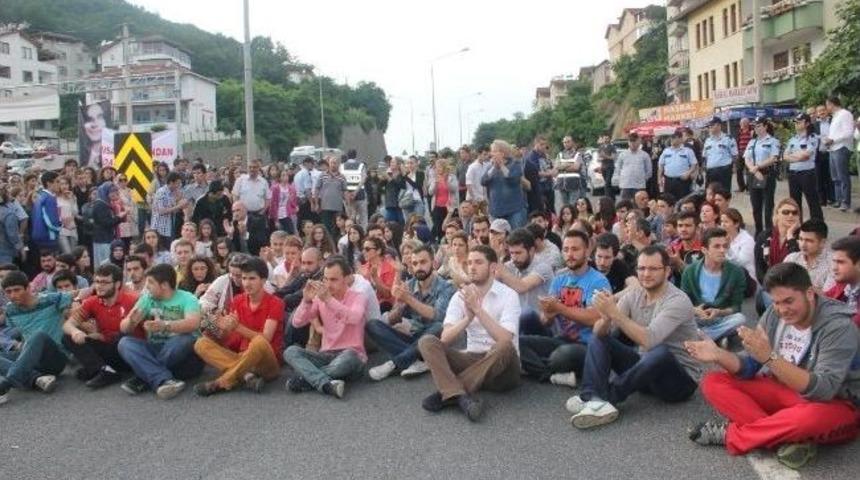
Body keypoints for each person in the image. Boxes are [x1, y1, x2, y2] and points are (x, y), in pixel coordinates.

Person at [686, 263, 859, 469]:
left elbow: (822, 390)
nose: (782, 310)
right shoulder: (774, 313)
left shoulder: (839, 327)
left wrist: (770, 358)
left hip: (832, 404)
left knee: (808, 420)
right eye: (776, 302)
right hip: (783, 391)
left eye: (789, 301)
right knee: (714, 381)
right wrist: (718, 355)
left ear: (810, 293)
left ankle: (733, 435)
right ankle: (784, 436)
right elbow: (749, 365)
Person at [567, 246, 700, 429]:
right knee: (599, 338)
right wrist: (606, 318)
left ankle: (606, 399)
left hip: (678, 382)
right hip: (645, 372)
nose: (646, 274)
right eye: (641, 268)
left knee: (660, 351)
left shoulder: (677, 300)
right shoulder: (634, 294)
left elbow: (649, 339)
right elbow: (600, 333)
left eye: (653, 269)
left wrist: (615, 313)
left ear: (667, 271)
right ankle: (592, 397)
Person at [417, 245, 521, 421]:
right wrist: (467, 319)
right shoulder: (460, 296)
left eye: (479, 262)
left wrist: (477, 310)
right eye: (470, 263)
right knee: (426, 342)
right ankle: (460, 396)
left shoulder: (509, 295)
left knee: (504, 346)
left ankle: (449, 392)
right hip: (472, 358)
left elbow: (505, 338)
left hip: (503, 367)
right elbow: (445, 338)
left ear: (493, 267)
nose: (472, 267)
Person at [521, 229, 610, 388]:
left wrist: (560, 308)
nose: (570, 254)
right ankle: (551, 375)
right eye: (566, 249)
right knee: (517, 343)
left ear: (587, 250)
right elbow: (546, 322)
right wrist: (548, 314)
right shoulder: (559, 279)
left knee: (560, 357)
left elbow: (594, 317)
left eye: (575, 249)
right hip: (561, 339)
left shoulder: (599, 281)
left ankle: (534, 366)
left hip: (588, 345)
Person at [193, 258, 284, 396]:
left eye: (252, 278)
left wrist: (238, 327)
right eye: (244, 278)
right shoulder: (237, 300)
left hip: (267, 362)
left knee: (258, 341)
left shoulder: (276, 303)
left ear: (263, 280)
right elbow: (230, 338)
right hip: (241, 356)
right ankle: (247, 376)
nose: (247, 283)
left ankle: (221, 382)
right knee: (201, 343)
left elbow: (266, 338)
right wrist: (221, 326)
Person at [283, 256, 368, 399]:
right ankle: (326, 384)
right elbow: (297, 322)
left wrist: (329, 300)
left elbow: (354, 318)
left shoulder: (358, 297)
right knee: (290, 351)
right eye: (326, 279)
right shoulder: (319, 299)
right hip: (326, 354)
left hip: (351, 355)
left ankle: (308, 379)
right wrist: (306, 301)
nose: (328, 285)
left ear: (347, 279)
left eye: (333, 280)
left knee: (348, 358)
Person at [366, 245, 455, 381]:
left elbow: (438, 315)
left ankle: (394, 363)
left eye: (423, 262)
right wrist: (400, 305)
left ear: (433, 263)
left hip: (433, 338)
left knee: (439, 326)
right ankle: (416, 359)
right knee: (372, 324)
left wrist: (409, 299)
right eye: (415, 263)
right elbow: (393, 319)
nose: (419, 267)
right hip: (413, 336)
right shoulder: (409, 284)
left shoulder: (446, 286)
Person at [117, 264, 204, 399]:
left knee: (186, 338)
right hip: (157, 347)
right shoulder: (147, 298)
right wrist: (131, 322)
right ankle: (164, 379)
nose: (147, 287)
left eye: (151, 283)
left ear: (164, 285)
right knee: (124, 343)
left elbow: (193, 323)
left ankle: (144, 377)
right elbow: (123, 328)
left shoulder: (187, 298)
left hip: (185, 357)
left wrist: (164, 326)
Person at [0, 271, 72, 405]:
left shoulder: (50, 298)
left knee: (38, 335)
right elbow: (20, 332)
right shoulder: (10, 310)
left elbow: (77, 294)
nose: (13, 295)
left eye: (17, 290)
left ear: (28, 288)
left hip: (55, 357)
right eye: (8, 292)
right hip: (30, 360)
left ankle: (8, 380)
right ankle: (37, 379)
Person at [62, 264, 139, 389]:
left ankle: (96, 370)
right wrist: (75, 332)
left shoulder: (133, 300)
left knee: (122, 336)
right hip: (108, 350)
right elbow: (68, 325)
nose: (99, 285)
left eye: (104, 282)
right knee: (67, 337)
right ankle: (103, 370)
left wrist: (102, 337)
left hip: (129, 352)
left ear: (117, 284)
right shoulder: (92, 301)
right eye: (97, 281)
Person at [680, 228, 747, 341]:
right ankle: (718, 337)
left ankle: (701, 336)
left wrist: (719, 312)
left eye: (725, 246)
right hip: (696, 317)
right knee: (675, 317)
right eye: (717, 246)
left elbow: (736, 307)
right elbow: (683, 302)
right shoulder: (690, 271)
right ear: (704, 250)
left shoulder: (736, 272)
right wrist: (695, 310)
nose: (722, 250)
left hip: (721, 317)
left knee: (740, 319)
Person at [494, 229, 554, 334]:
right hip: (517, 324)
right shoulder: (510, 266)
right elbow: (492, 287)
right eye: (511, 253)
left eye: (518, 253)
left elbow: (522, 287)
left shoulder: (544, 266)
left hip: (541, 325)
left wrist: (497, 262)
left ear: (531, 251)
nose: (514, 258)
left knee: (526, 313)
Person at [744, 118, 780, 234]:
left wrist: (758, 167)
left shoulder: (773, 141)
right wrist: (754, 170)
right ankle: (759, 232)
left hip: (767, 173)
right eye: (755, 126)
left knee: (768, 205)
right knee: (756, 205)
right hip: (753, 174)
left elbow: (773, 158)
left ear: (765, 126)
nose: (756, 128)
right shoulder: (752, 142)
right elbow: (746, 158)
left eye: (759, 126)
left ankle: (769, 232)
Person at [784, 113, 823, 220]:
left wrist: (794, 156)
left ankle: (817, 226)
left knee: (812, 201)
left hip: (807, 173)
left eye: (799, 122)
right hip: (793, 173)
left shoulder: (812, 137)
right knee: (795, 203)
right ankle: (797, 227)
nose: (796, 124)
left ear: (807, 123)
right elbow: (785, 156)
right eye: (795, 122)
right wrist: (798, 157)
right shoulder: (792, 139)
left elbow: (806, 155)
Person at [481, 139, 526, 229]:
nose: (491, 154)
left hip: (514, 210)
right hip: (495, 210)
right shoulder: (490, 166)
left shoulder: (515, 164)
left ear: (503, 152)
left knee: (515, 238)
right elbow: (483, 181)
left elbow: (513, 179)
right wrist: (494, 167)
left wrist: (501, 166)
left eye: (494, 151)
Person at [754, 198, 801, 282]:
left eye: (794, 213)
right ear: (777, 215)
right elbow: (759, 267)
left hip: (790, 285)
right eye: (786, 212)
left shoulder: (801, 237)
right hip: (767, 284)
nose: (790, 215)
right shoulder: (764, 236)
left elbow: (796, 262)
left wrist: (790, 235)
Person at [784, 219, 834, 293]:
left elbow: (828, 295)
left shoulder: (833, 263)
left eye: (809, 241)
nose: (803, 245)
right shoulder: (791, 258)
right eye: (801, 239)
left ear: (822, 242)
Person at [823, 96, 855, 212]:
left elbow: (848, 133)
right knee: (835, 177)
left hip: (841, 147)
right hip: (833, 148)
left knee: (842, 176)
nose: (827, 108)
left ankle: (846, 202)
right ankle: (839, 200)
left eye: (827, 105)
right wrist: (829, 140)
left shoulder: (845, 114)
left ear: (832, 104)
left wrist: (833, 140)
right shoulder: (835, 117)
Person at [825, 235, 860, 326]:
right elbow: (821, 300)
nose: (834, 268)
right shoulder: (843, 286)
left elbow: (851, 327)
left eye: (840, 262)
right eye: (834, 261)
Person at [151, 172, 187, 250]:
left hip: (169, 226)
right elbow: (162, 211)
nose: (179, 186)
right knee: (162, 250)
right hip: (160, 228)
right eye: (177, 183)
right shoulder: (162, 192)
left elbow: (173, 209)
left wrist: (180, 203)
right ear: (171, 182)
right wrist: (179, 206)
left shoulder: (172, 192)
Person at [658, 131, 698, 202]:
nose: (672, 140)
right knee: (668, 201)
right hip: (669, 181)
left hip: (682, 181)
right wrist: (659, 178)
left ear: (680, 139)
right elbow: (661, 165)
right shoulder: (666, 151)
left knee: (683, 201)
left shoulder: (687, 151)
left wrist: (688, 173)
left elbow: (694, 164)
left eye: (674, 138)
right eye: (671, 138)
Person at [427, 158, 460, 242]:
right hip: (437, 206)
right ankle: (439, 243)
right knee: (438, 227)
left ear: (444, 167)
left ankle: (448, 242)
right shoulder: (435, 178)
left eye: (439, 167)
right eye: (436, 167)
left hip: (449, 207)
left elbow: (454, 189)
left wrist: (446, 181)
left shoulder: (452, 177)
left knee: (448, 226)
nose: (438, 169)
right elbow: (430, 192)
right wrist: (435, 184)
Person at [702, 117, 739, 192]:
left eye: (712, 125)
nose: (710, 127)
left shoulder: (728, 139)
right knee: (710, 193)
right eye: (709, 126)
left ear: (719, 126)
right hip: (710, 171)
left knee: (723, 194)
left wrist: (733, 167)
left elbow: (735, 155)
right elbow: (705, 156)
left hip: (724, 171)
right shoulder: (708, 140)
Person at [30, 170, 62, 254]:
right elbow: (51, 221)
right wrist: (60, 227)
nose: (60, 184)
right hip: (48, 237)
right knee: (52, 263)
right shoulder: (49, 198)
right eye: (57, 181)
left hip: (39, 235)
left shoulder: (41, 196)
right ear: (48, 183)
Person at [721, 208, 756, 283]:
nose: (722, 225)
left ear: (736, 224)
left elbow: (740, 263)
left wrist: (728, 249)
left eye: (726, 222)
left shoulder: (747, 240)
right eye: (722, 222)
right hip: (727, 279)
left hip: (746, 280)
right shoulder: (721, 237)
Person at [315, 157, 347, 237]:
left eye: (335, 163)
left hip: (338, 208)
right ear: (329, 164)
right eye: (332, 163)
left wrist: (348, 204)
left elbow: (345, 191)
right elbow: (317, 189)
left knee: (337, 228)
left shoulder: (342, 177)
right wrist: (316, 204)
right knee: (326, 228)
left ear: (338, 165)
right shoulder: (322, 175)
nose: (333, 165)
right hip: (325, 207)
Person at [616, 133, 652, 200]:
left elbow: (649, 171)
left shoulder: (644, 155)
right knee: (625, 206)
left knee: (639, 207)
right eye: (631, 141)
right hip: (626, 186)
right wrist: (622, 178)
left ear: (639, 142)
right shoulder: (622, 155)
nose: (632, 143)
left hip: (639, 186)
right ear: (628, 142)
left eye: (634, 141)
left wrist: (643, 179)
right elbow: (618, 168)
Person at [555, 136, 583, 208]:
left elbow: (576, 167)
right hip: (562, 184)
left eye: (568, 142)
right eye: (564, 142)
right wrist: (569, 164)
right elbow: (557, 166)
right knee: (565, 208)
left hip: (574, 184)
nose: (566, 144)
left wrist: (563, 166)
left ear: (572, 142)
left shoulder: (577, 154)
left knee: (573, 207)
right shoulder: (560, 154)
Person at [596, 135, 617, 200]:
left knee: (607, 183)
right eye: (604, 138)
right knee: (608, 183)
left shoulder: (612, 147)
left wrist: (605, 156)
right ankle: (612, 197)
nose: (605, 140)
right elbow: (598, 158)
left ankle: (607, 198)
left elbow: (613, 157)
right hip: (603, 167)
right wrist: (602, 158)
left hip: (610, 167)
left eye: (607, 138)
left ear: (609, 139)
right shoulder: (600, 147)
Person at [735, 117, 752, 192]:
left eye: (742, 123)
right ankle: (741, 187)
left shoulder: (751, 132)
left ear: (746, 123)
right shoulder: (739, 132)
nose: (740, 124)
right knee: (738, 170)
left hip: (749, 153)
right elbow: (737, 142)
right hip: (740, 153)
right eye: (740, 123)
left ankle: (749, 188)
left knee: (749, 171)